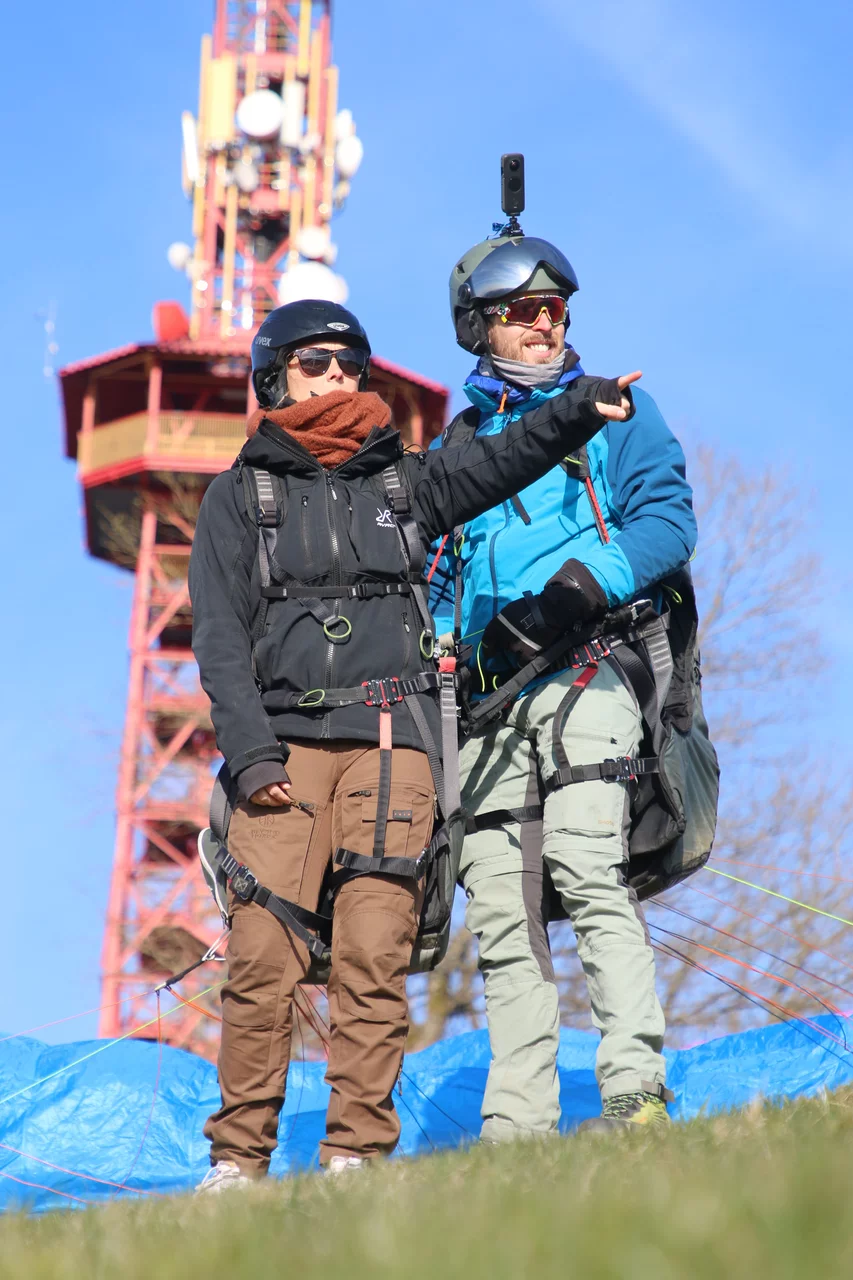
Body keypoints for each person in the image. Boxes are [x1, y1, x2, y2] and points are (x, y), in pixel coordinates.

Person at [189, 297, 640, 1189]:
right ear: (274, 376)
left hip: (391, 747)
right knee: (260, 960)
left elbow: (501, 457)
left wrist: (576, 406)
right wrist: (250, 756)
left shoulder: (405, 480)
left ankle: (357, 1152)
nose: (338, 380)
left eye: (351, 365)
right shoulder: (237, 497)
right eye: (316, 364)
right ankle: (237, 1161)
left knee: (372, 953)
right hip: (280, 754)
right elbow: (218, 638)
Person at [429, 233, 697, 1138]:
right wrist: (435, 643)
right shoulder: (456, 448)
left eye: (554, 311)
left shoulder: (616, 409)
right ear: (480, 328)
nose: (544, 326)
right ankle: (515, 1128)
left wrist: (584, 585)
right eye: (521, 313)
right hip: (485, 701)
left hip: (587, 661)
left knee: (588, 870)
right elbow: (434, 573)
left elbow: (667, 520)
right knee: (500, 911)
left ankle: (633, 1087)